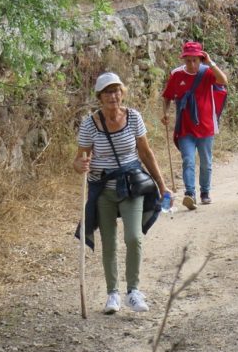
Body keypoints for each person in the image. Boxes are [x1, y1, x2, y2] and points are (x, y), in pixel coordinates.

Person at [73, 72, 170, 314]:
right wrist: (80, 165)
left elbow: (146, 153)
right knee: (109, 243)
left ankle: (134, 291)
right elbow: (78, 159)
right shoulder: (89, 124)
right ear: (99, 97)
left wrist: (161, 183)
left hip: (132, 186)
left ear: (122, 93)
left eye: (116, 91)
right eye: (107, 92)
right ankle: (112, 294)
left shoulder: (134, 117)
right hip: (103, 189)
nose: (113, 96)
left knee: (134, 237)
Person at [162, 41, 228, 210]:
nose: (191, 64)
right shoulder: (176, 75)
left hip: (206, 127)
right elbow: (168, 96)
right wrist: (165, 113)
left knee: (206, 162)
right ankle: (190, 193)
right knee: (188, 161)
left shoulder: (207, 73)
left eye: (195, 60)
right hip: (185, 127)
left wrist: (210, 63)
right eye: (188, 60)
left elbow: (223, 80)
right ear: (184, 60)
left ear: (201, 59)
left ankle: (205, 192)